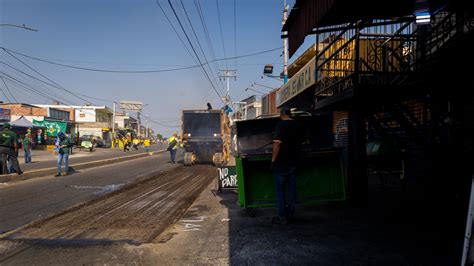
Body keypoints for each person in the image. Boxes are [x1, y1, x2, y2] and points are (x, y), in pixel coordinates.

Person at [271, 107, 301, 225]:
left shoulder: (281, 125)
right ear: (290, 114)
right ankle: (291, 216)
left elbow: (277, 145)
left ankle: (282, 217)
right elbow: (304, 141)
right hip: (294, 162)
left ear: (282, 115)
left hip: (281, 163)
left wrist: (273, 161)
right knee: (291, 191)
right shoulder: (298, 125)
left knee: (280, 191)